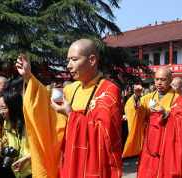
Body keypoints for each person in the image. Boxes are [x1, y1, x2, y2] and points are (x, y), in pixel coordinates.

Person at [16, 39, 123, 178]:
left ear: (92, 60)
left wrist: (70, 114)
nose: (68, 66)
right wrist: (28, 77)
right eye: (68, 60)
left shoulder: (108, 91)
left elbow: (105, 137)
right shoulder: (71, 89)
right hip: (68, 162)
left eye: (74, 59)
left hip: (92, 168)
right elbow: (48, 114)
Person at [126, 67, 182, 178]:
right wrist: (136, 97)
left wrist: (167, 114)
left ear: (170, 80)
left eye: (163, 79)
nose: (159, 82)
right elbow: (136, 114)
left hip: (169, 144)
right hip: (150, 143)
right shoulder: (147, 98)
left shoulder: (181, 100)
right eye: (157, 79)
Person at [0, 90, 31, 178]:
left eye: (4, 108)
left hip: (34, 170)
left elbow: (42, 147)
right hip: (19, 171)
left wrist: (26, 158)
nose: (1, 112)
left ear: (14, 107)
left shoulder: (30, 123)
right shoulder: (7, 124)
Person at [122, 83, 145, 158]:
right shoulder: (126, 98)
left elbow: (136, 105)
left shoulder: (138, 97)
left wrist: (136, 95)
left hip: (134, 120)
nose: (127, 91)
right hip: (125, 122)